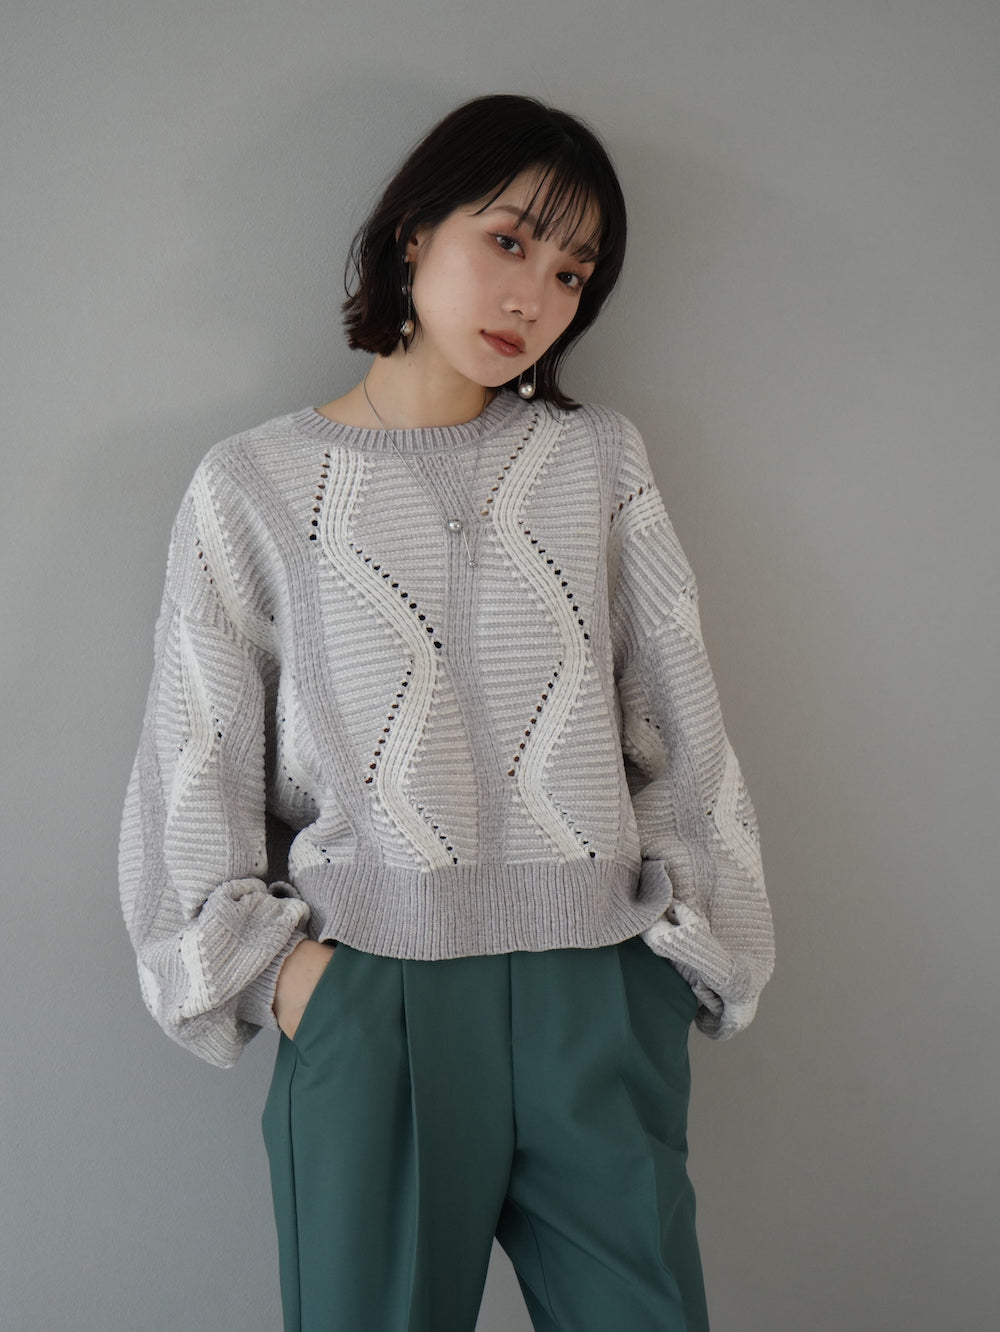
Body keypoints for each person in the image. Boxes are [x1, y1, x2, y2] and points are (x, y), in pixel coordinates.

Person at [119, 93, 775, 1332]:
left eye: (572, 273)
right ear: (413, 233)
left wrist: (677, 964)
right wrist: (288, 982)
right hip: (375, 1006)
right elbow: (193, 772)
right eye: (509, 240)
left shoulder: (598, 462)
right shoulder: (252, 486)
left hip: (594, 999)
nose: (535, 296)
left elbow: (680, 725)